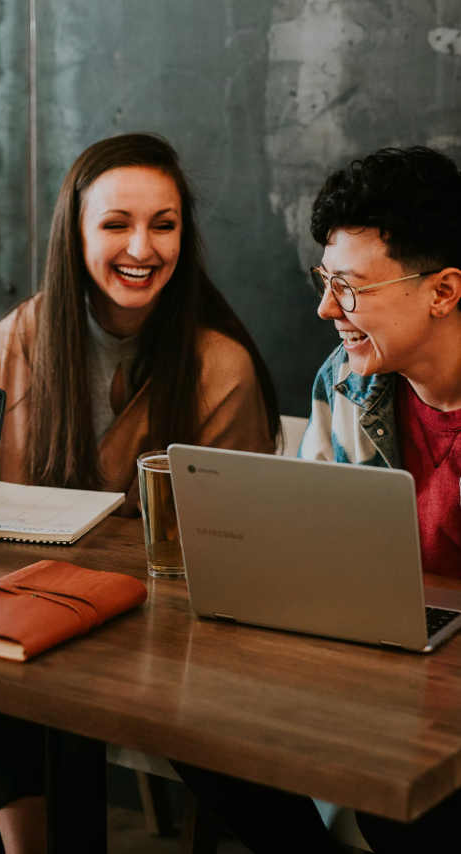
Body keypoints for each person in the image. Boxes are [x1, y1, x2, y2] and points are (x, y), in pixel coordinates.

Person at [0, 133, 281, 854]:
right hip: (35, 614)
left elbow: (233, 549)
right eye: (116, 223)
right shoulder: (32, 331)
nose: (143, 247)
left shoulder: (219, 366)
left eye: (164, 224)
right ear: (76, 233)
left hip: (161, 638)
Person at [172, 146, 461, 852]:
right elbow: (309, 557)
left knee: (410, 811)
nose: (327, 307)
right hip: (379, 666)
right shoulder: (347, 382)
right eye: (324, 280)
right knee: (194, 728)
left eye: (351, 287)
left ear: (444, 291)